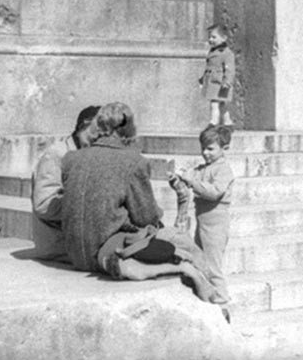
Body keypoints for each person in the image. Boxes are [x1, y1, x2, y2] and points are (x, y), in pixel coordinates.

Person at [60, 102, 222, 307]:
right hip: (105, 251)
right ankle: (214, 299)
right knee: (181, 241)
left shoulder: (71, 159)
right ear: (129, 129)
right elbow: (146, 217)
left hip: (75, 254)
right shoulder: (134, 162)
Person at [170, 125, 236, 312]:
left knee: (213, 266)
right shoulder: (203, 168)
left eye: (211, 149)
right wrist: (178, 179)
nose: (205, 153)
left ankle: (222, 303)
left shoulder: (223, 170)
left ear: (225, 148)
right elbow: (191, 179)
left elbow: (214, 192)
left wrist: (191, 180)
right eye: (203, 148)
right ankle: (209, 298)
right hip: (203, 222)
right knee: (201, 261)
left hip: (216, 223)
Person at [30, 104, 101, 262]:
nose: (100, 137)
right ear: (84, 124)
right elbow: (43, 205)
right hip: (57, 243)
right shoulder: (56, 154)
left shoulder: (89, 152)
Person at [200, 24, 236, 126]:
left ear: (224, 38)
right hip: (213, 84)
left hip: (221, 83)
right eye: (209, 37)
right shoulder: (212, 52)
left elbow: (230, 69)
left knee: (219, 104)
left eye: (214, 37)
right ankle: (226, 122)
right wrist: (202, 79)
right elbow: (209, 67)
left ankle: (215, 122)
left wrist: (227, 81)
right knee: (217, 103)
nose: (210, 40)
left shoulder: (227, 53)